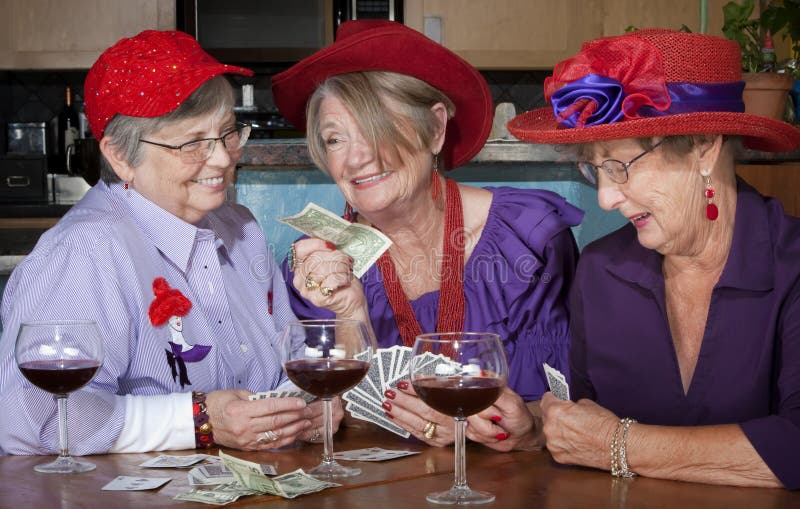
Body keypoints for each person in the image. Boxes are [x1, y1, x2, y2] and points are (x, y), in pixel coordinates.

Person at [0, 30, 339, 455]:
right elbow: (37, 419)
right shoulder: (85, 251)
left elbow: (289, 360)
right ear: (121, 156)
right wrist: (199, 421)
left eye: (228, 132)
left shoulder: (242, 229)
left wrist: (308, 404)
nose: (222, 158)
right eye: (192, 143)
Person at [507, 28, 800, 489]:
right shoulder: (601, 272)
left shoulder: (793, 266)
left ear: (704, 146)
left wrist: (621, 445)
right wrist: (533, 428)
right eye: (595, 168)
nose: (604, 199)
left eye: (621, 165)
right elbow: (588, 428)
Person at [271, 20, 583, 451]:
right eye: (336, 139)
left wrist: (525, 427)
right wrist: (351, 313)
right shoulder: (318, 268)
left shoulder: (527, 238)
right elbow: (329, 421)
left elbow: (559, 406)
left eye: (379, 129)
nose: (358, 158)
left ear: (435, 129)